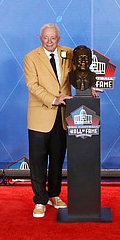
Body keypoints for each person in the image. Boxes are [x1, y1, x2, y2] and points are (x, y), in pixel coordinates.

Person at [24, 23, 73, 218]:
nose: (50, 42)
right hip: (40, 115)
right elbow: (32, 85)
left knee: (57, 158)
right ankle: (40, 200)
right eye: (46, 38)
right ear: (40, 38)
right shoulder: (31, 57)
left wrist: (90, 88)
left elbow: (81, 73)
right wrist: (53, 99)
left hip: (62, 118)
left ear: (59, 38)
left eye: (53, 38)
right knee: (37, 161)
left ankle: (54, 195)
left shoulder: (69, 53)